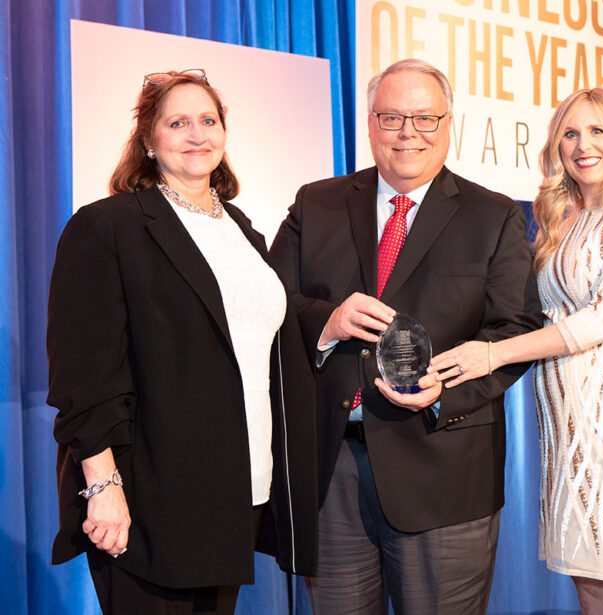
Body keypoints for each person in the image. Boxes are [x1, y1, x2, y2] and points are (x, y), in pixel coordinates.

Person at [268, 58, 542, 614]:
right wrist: (327, 321)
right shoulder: (315, 203)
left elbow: (515, 331)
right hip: (331, 473)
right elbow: (270, 305)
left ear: (449, 125)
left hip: (445, 471)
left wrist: (445, 388)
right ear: (369, 125)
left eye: (425, 118)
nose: (408, 133)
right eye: (392, 118)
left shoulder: (493, 216)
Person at [47, 69, 318, 614]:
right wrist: (103, 488)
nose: (197, 134)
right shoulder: (109, 226)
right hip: (149, 498)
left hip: (238, 489)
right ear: (148, 139)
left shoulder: (244, 231)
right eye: (177, 122)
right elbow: (83, 375)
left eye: (208, 120)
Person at [430, 88, 603, 615]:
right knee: (589, 582)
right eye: (570, 133)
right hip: (568, 418)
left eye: (597, 130)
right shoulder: (561, 220)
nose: (582, 144)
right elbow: (536, 312)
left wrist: (493, 354)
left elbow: (602, 317)